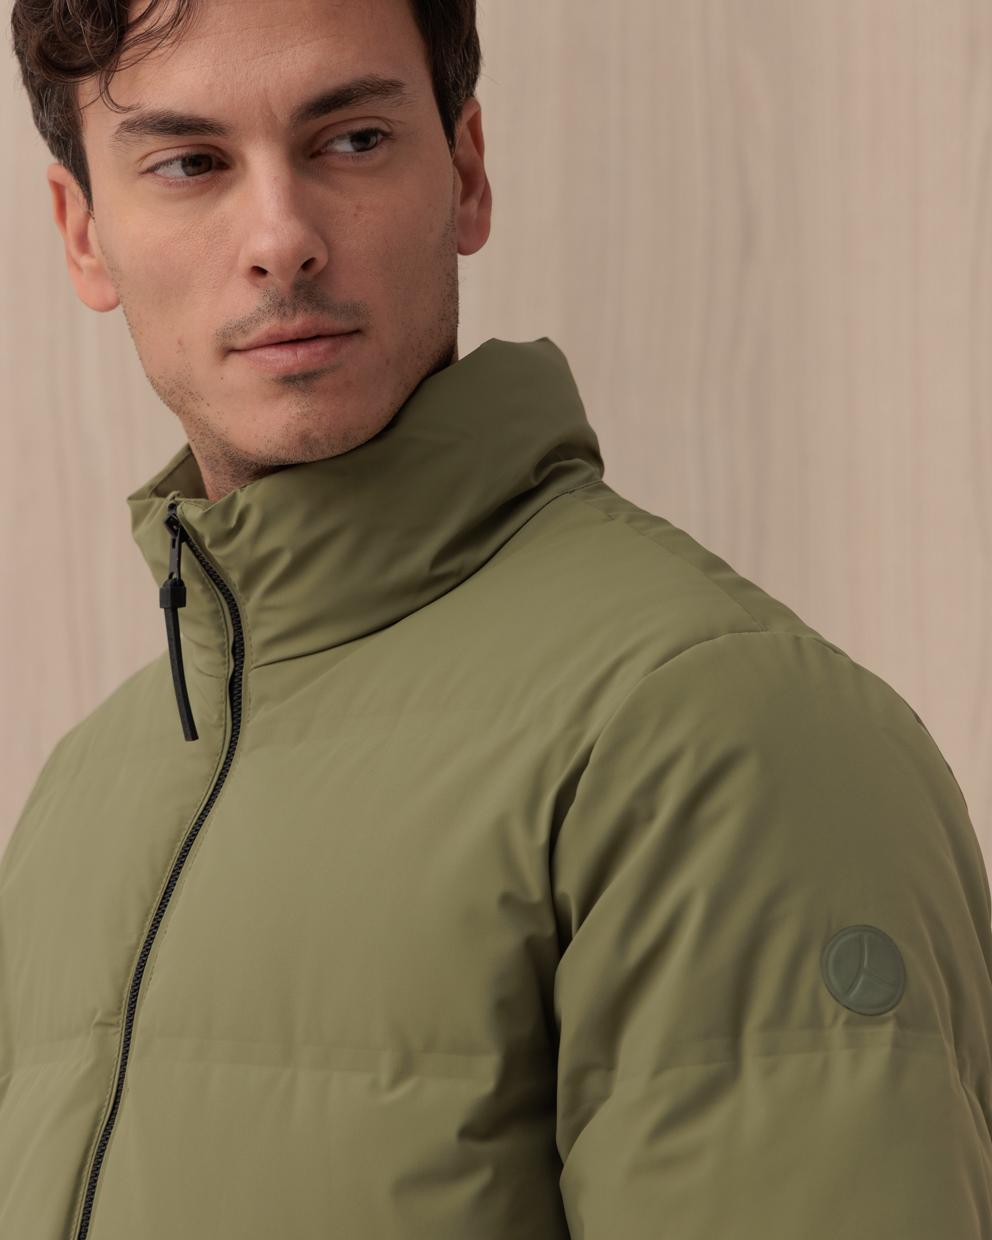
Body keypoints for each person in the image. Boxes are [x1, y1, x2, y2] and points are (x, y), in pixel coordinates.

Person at [4, 0, 991, 1236]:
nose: (280, 239)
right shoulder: (88, 794)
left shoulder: (711, 735)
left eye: (351, 140)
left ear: (465, 171)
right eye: (190, 164)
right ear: (83, 233)